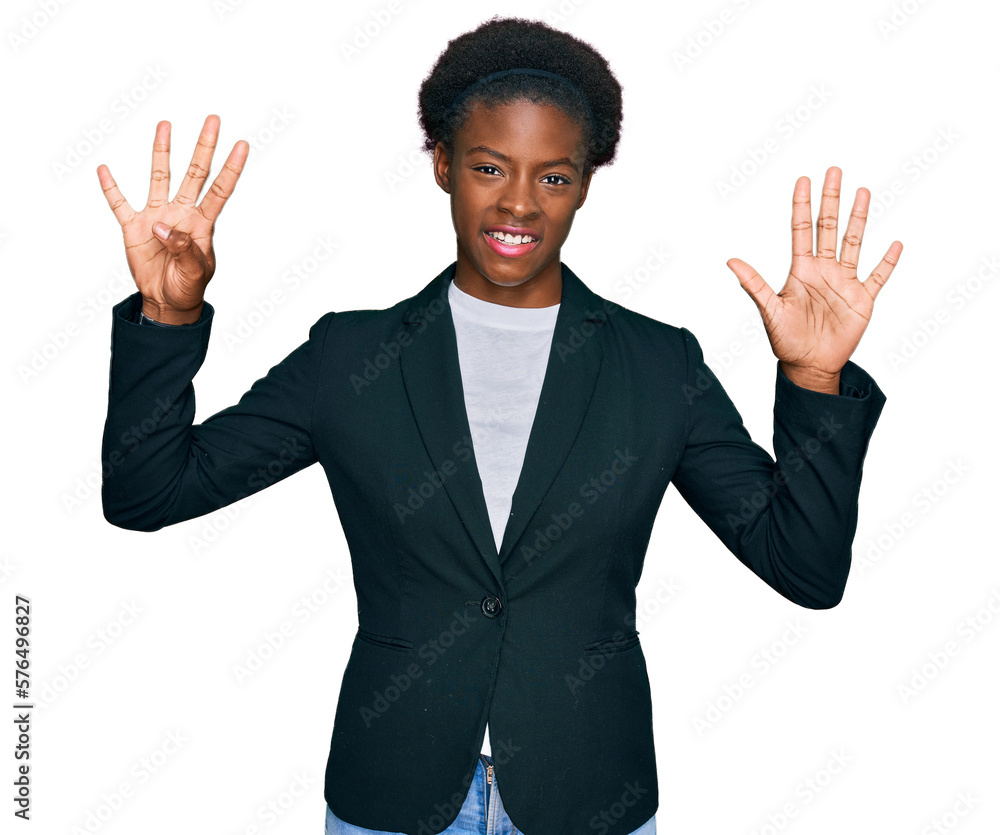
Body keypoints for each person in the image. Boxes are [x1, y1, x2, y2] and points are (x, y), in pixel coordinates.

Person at [96, 16, 901, 835]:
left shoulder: (660, 367)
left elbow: (805, 569)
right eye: (489, 166)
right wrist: (168, 314)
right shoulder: (351, 356)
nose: (518, 201)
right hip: (394, 794)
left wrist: (812, 377)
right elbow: (146, 489)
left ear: (585, 183)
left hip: (591, 791)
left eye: (553, 177)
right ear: (443, 164)